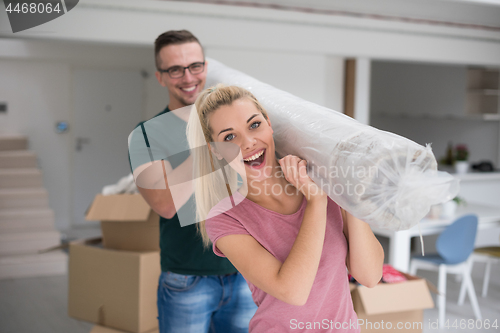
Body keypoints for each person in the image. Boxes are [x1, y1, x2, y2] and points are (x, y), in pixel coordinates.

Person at [187, 84, 385, 332]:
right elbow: (293, 291)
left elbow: (369, 276)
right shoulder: (225, 218)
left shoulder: (322, 180)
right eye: (229, 136)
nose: (248, 142)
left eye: (254, 125)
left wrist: (349, 191)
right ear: (215, 150)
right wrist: (315, 201)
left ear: (269, 124)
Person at [129, 31, 257, 333]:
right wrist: (212, 147)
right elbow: (164, 204)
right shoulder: (146, 134)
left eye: (195, 66)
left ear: (206, 67)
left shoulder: (232, 120)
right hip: (187, 278)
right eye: (175, 69)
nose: (188, 77)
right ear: (161, 77)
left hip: (245, 270)